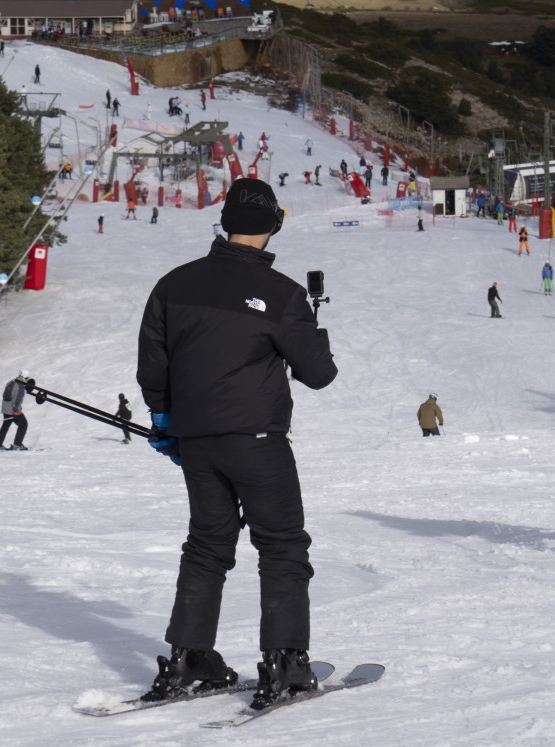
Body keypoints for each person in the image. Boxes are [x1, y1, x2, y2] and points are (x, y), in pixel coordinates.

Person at [136, 177, 337, 710]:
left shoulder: (172, 284)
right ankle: (285, 662)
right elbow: (318, 373)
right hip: (257, 440)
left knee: (206, 545)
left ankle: (188, 657)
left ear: (224, 223)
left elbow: (152, 364)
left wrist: (164, 418)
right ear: (273, 226)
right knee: (281, 544)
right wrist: (312, 323)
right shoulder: (284, 295)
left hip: (196, 441)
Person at [0, 371, 31, 451]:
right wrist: (16, 410)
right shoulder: (20, 386)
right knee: (23, 424)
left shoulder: (11, 382)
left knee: (5, 426)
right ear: (25, 378)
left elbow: (6, 396)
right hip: (14, 411)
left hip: (6, 410)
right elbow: (17, 399)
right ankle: (17, 445)